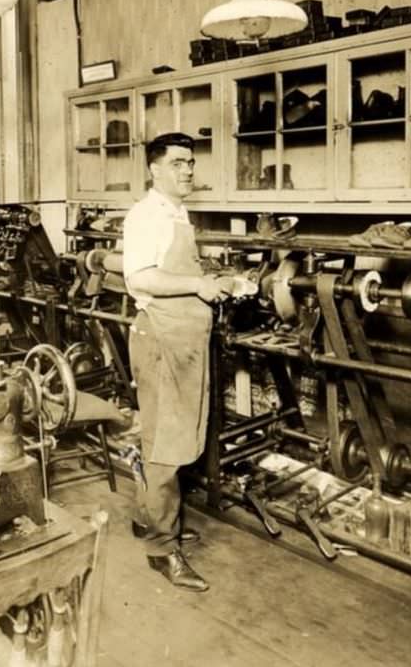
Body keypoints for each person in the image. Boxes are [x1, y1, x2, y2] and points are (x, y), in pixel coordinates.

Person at [121, 131, 230, 593]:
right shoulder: (145, 215)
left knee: (178, 438)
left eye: (191, 163)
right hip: (162, 338)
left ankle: (155, 522)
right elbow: (140, 276)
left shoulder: (176, 213)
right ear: (155, 168)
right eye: (179, 163)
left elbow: (175, 271)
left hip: (183, 338)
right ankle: (163, 551)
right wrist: (199, 287)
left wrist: (213, 279)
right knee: (165, 447)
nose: (189, 170)